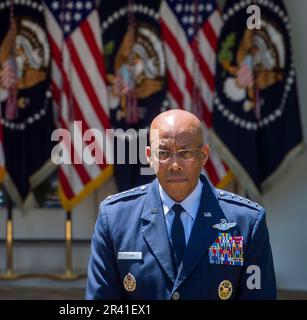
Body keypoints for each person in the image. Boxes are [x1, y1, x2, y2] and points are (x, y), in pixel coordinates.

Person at [86, 109, 276, 300]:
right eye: (163, 153)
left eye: (186, 153)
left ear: (204, 155)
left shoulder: (246, 222)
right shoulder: (115, 219)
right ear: (149, 156)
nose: (174, 164)